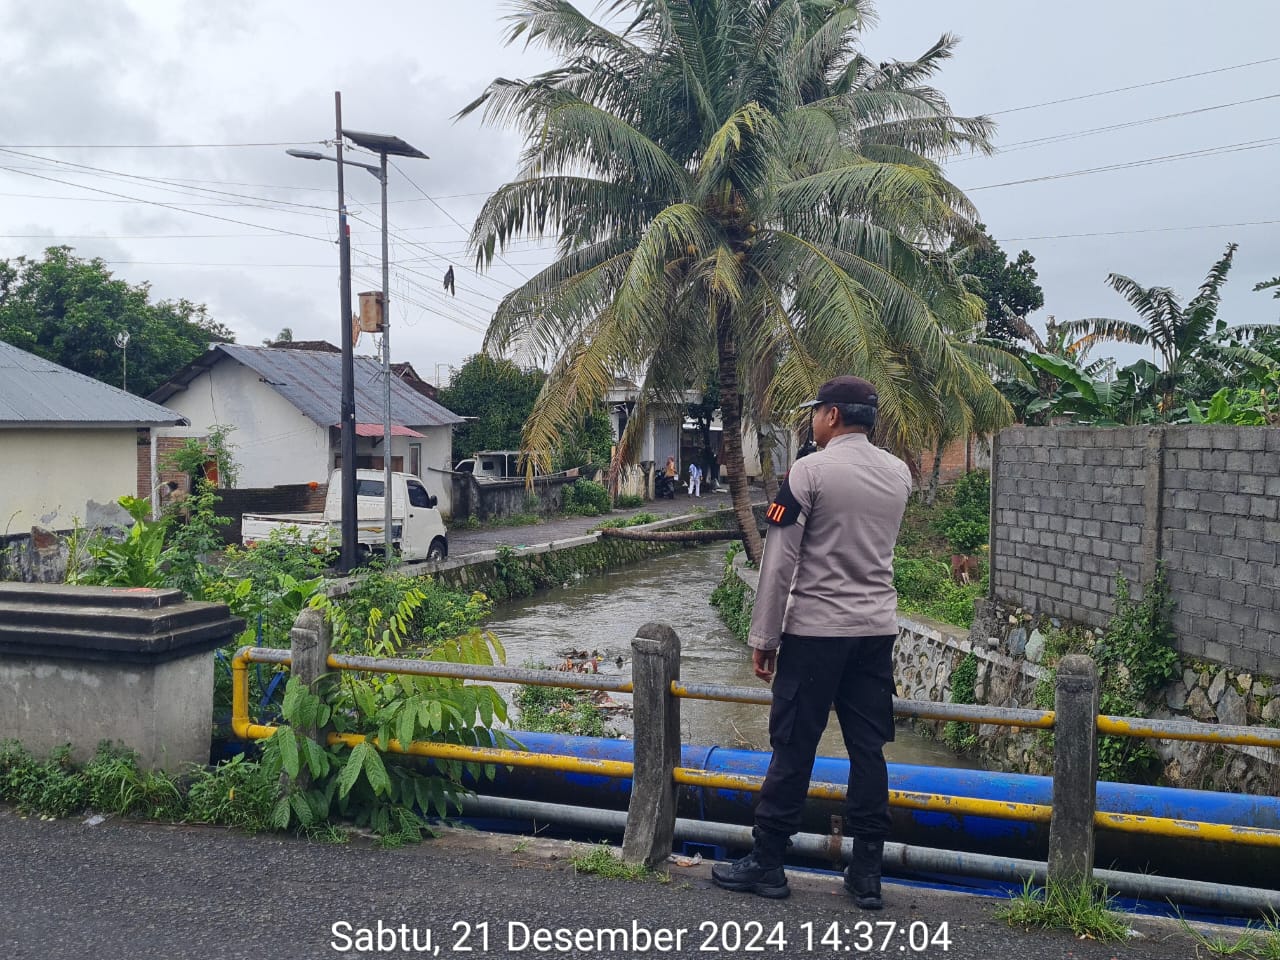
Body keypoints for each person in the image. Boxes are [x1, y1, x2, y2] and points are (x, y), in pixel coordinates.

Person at [710, 376, 912, 909]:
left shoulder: (809, 471)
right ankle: (866, 874)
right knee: (869, 751)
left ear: (833, 416)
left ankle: (768, 863)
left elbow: (779, 563)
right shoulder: (899, 474)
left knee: (794, 747)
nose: (813, 420)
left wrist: (764, 637)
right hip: (876, 632)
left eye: (816, 411)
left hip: (816, 633)